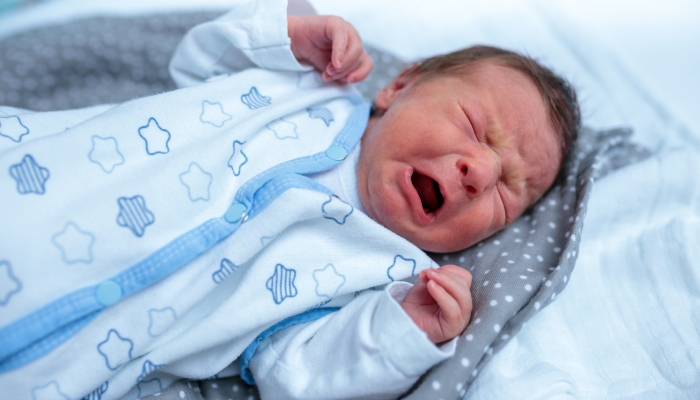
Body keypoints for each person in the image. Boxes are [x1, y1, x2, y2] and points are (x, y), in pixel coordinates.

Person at [0, 0, 579, 399]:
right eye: (475, 127)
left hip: (64, 363)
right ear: (400, 86)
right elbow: (199, 62)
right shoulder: (311, 87)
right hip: (39, 181)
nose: (478, 171)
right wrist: (289, 36)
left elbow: (296, 377)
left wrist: (403, 332)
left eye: (508, 193)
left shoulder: (382, 276)